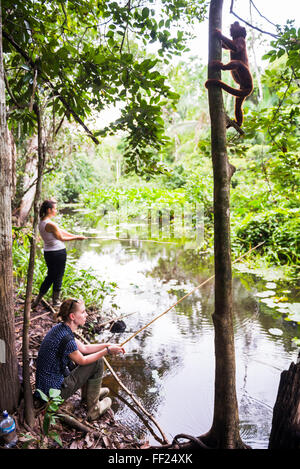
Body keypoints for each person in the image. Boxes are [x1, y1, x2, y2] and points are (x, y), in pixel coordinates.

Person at [35, 298, 125, 420]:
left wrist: (107, 345)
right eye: (83, 312)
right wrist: (107, 351)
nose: (86, 314)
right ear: (72, 316)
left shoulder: (61, 328)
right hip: (53, 394)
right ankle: (94, 409)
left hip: (46, 388)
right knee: (97, 361)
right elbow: (82, 360)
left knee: (94, 357)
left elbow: (84, 348)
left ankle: (88, 396)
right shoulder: (66, 338)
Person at [32, 199, 86, 308]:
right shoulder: (50, 224)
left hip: (48, 253)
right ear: (49, 210)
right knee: (58, 276)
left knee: (50, 276)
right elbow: (61, 237)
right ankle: (56, 302)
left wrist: (75, 235)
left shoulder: (42, 221)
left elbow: (61, 231)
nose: (56, 210)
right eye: (55, 208)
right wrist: (76, 238)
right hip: (58, 253)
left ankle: (38, 299)